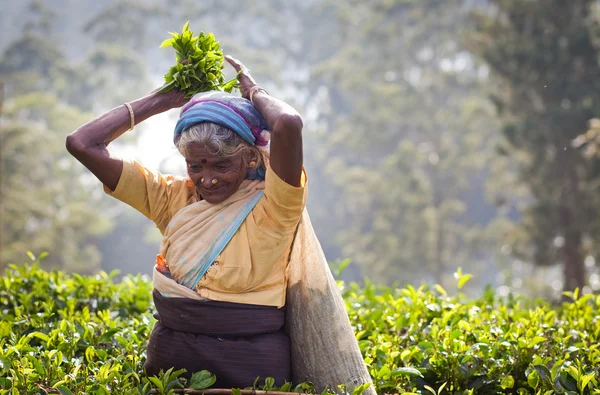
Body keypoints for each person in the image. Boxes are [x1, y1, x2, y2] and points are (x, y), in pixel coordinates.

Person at [66, 55, 374, 393]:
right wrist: (161, 99)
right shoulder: (173, 199)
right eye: (195, 165)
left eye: (221, 164)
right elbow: (81, 144)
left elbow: (287, 124)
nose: (207, 180)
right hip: (171, 372)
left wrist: (253, 90)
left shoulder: (274, 207)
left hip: (250, 377)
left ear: (251, 157)